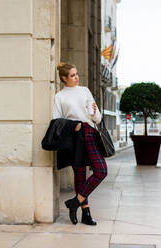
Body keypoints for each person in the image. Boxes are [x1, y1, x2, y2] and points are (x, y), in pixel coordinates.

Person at [53, 62, 108, 225]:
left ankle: (74, 202)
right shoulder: (59, 97)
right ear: (64, 78)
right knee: (79, 174)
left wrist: (94, 112)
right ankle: (86, 213)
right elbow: (57, 121)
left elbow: (97, 118)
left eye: (77, 74)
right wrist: (72, 125)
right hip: (74, 135)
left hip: (90, 132)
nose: (76, 77)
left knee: (101, 170)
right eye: (72, 75)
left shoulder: (84, 91)